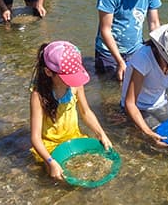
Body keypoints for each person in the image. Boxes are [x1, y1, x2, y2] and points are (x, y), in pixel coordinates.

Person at [29, 41, 113, 182]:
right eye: (68, 78)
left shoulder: (76, 85)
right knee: (58, 177)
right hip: (50, 144)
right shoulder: (38, 96)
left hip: (74, 137)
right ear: (49, 72)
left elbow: (86, 112)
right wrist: (51, 161)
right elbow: (35, 138)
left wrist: (101, 134)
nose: (73, 81)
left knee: (98, 163)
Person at [95, 0, 163, 81]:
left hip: (136, 49)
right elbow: (105, 30)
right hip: (108, 53)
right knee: (111, 92)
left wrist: (160, 53)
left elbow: (154, 24)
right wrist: (120, 62)